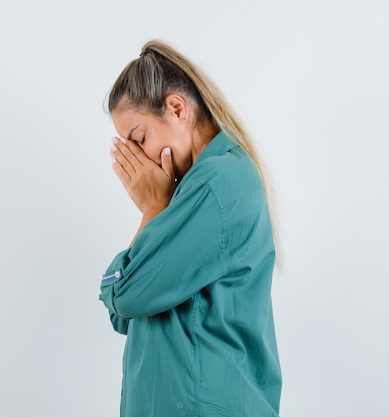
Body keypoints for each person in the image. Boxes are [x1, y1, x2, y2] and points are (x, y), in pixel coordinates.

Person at [99, 39, 282, 417]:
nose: (138, 157)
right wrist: (158, 208)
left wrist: (152, 208)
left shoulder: (219, 182)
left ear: (177, 108)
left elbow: (125, 297)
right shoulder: (191, 191)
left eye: (140, 139)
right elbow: (122, 313)